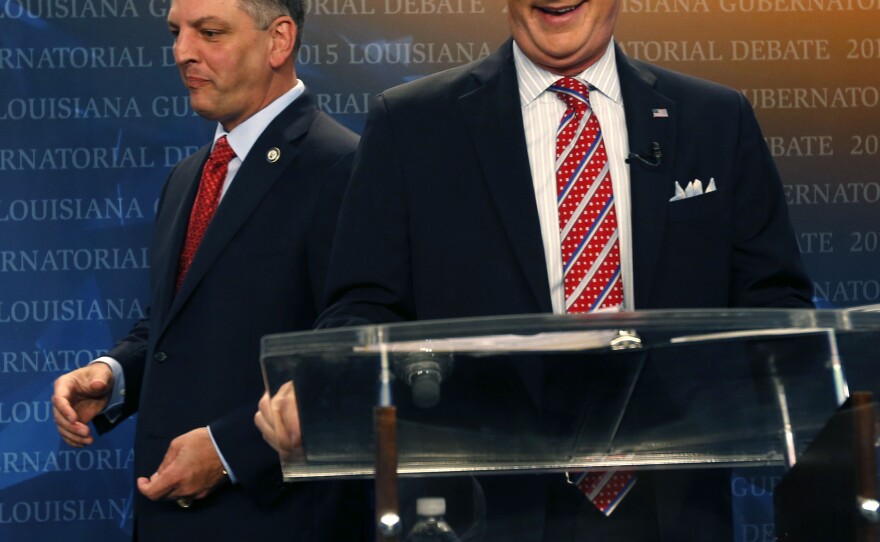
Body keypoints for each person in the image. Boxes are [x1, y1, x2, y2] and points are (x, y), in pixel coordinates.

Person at [293, 0, 812, 540]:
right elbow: (362, 306)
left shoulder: (715, 119)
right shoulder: (411, 123)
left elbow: (776, 305)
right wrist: (321, 378)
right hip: (489, 511)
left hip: (672, 504)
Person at [51, 0, 366, 540]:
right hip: (167, 517)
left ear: (279, 40)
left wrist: (229, 453)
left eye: (210, 32)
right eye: (176, 32)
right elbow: (175, 322)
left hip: (279, 520)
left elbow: (352, 358)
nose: (182, 52)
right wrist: (116, 373)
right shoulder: (187, 176)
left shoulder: (346, 168)